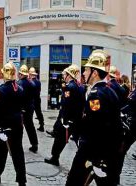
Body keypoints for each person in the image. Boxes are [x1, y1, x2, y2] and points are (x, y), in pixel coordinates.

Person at [66, 50, 123, 186]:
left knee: (73, 181)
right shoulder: (109, 90)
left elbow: (97, 128)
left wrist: (98, 159)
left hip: (91, 151)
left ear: (95, 73)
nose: (84, 73)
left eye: (86, 70)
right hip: (105, 152)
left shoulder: (96, 95)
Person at [0, 62, 26, 186]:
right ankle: (22, 181)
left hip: (5, 127)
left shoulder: (0, 90)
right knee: (18, 153)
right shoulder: (20, 88)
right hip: (17, 126)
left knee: (0, 154)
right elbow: (22, 108)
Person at [44, 65, 85, 166]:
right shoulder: (81, 86)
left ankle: (55, 157)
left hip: (68, 119)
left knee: (59, 140)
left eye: (65, 74)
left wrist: (65, 120)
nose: (63, 76)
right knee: (78, 140)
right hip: (77, 119)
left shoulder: (69, 87)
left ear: (69, 75)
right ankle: (84, 157)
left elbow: (66, 104)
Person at [17, 64, 38, 153]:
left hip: (22, 108)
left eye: (19, 74)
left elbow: (18, 97)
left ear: (21, 74)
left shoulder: (19, 83)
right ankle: (34, 144)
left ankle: (18, 144)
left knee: (19, 127)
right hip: (30, 107)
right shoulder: (32, 83)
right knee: (30, 126)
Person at [29, 67, 45, 132]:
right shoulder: (38, 81)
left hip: (33, 100)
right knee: (39, 113)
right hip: (38, 99)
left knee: (30, 114)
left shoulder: (31, 82)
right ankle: (42, 125)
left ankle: (30, 127)